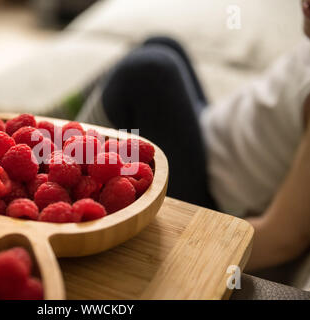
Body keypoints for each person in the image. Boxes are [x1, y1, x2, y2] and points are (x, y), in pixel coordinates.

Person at [77, 0, 310, 271]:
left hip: (212, 197)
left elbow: (283, 239)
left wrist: (182, 252)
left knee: (150, 71)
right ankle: (73, 120)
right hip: (210, 134)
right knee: (164, 43)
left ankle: (70, 154)